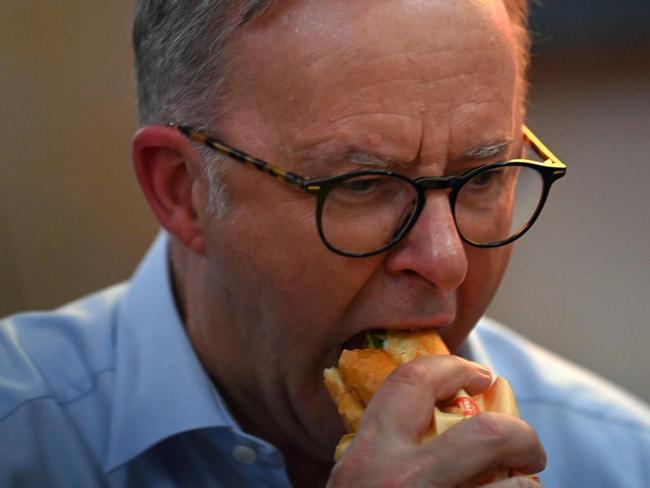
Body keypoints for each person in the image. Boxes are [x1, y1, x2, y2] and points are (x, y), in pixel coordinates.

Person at [1, 0, 649, 486]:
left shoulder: (620, 460)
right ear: (183, 190)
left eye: (482, 177)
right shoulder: (24, 440)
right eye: (364, 184)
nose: (445, 261)